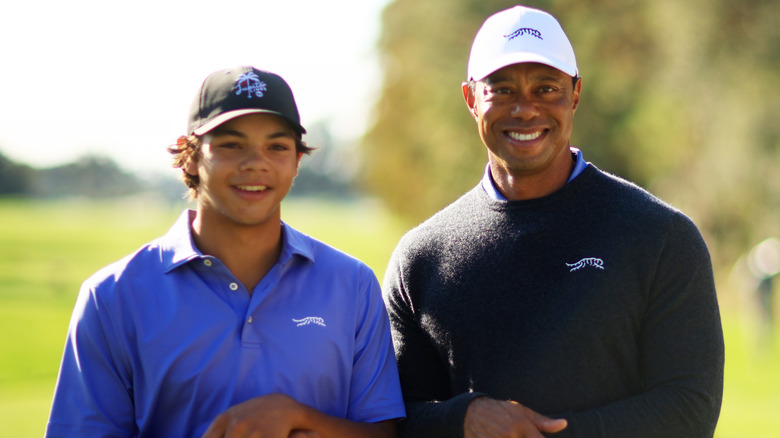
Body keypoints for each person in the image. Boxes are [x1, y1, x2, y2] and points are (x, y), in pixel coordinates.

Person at [382, 6, 724, 438]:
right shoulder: (421, 258)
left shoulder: (661, 237)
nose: (525, 109)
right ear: (471, 98)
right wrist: (463, 418)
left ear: (575, 94)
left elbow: (691, 408)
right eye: (502, 90)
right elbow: (392, 418)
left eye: (546, 89)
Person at [46, 66, 405, 437]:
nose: (255, 163)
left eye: (277, 147)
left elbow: (383, 432)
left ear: (297, 161)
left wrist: (298, 417)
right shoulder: (112, 296)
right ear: (189, 157)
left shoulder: (352, 284)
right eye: (231, 145)